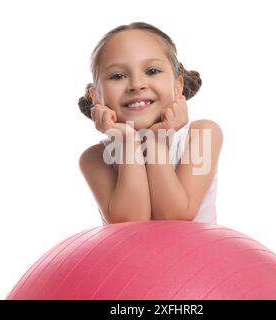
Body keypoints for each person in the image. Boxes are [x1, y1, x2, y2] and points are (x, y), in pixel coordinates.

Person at [78, 22, 223, 225]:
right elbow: (131, 223)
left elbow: (175, 216)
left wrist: (155, 140)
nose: (137, 85)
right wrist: (128, 140)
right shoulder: (95, 159)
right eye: (118, 76)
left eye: (152, 71)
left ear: (178, 86)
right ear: (96, 97)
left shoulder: (203, 135)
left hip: (200, 257)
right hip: (129, 258)